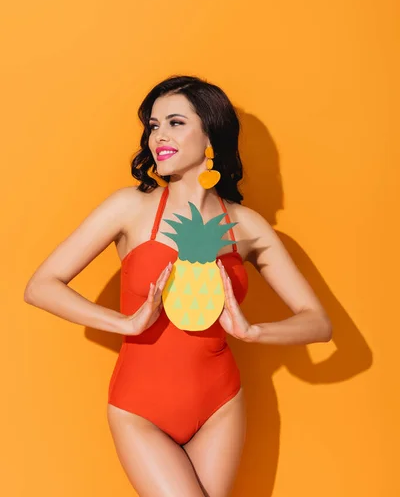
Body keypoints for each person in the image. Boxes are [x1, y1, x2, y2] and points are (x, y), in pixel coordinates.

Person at [24, 74, 332, 497]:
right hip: (140, 407)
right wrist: (126, 324)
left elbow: (318, 323)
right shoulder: (129, 207)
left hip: (221, 403)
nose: (158, 136)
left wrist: (251, 331)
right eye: (153, 125)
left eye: (175, 123)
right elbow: (41, 285)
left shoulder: (247, 226)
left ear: (211, 135)